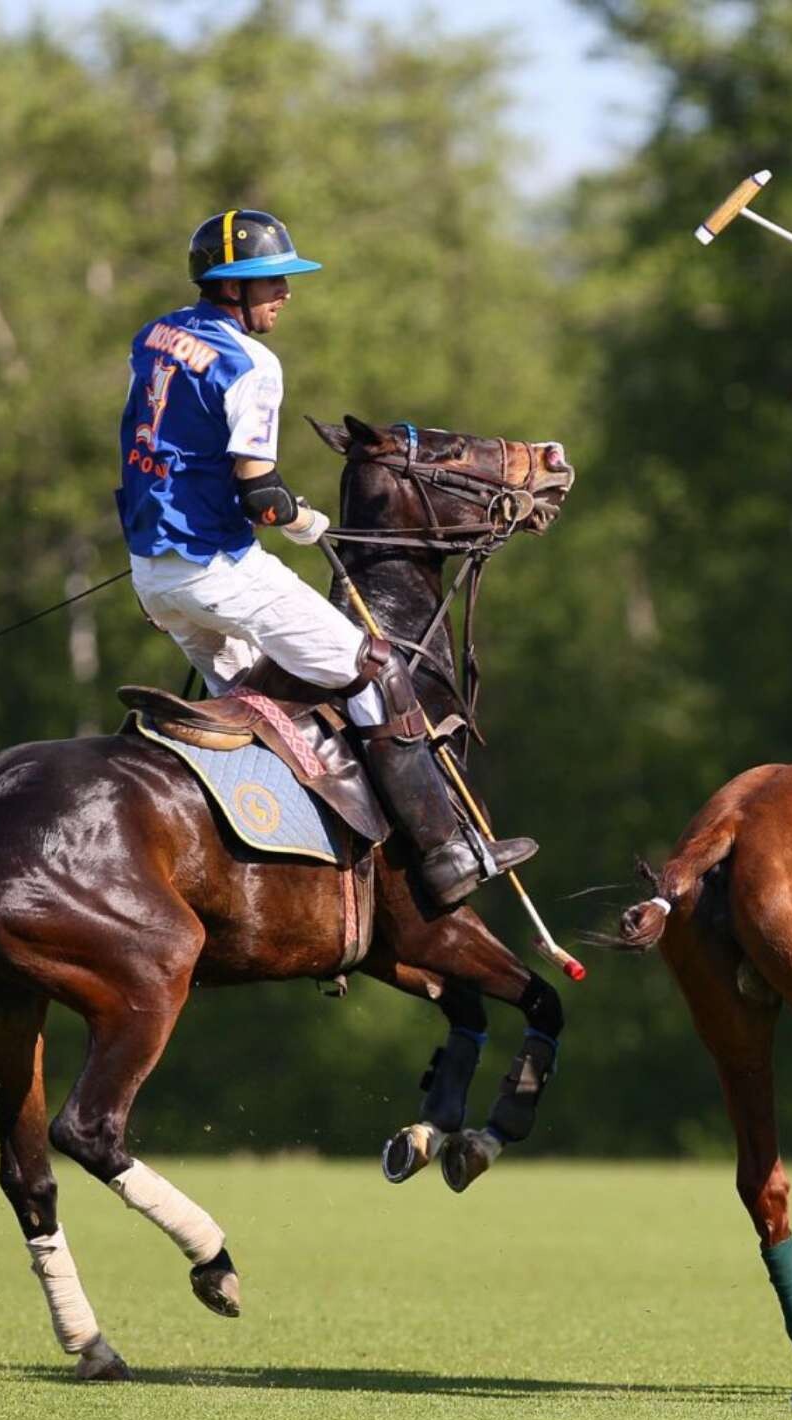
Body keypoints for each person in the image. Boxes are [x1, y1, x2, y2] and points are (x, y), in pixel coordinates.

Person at [116, 208, 534, 909]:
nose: (284, 292)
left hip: (152, 576)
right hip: (219, 570)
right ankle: (445, 852)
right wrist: (304, 519)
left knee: (253, 705)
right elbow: (262, 493)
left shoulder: (156, 334)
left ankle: (278, 868)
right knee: (374, 667)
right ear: (231, 288)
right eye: (269, 281)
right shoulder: (252, 363)